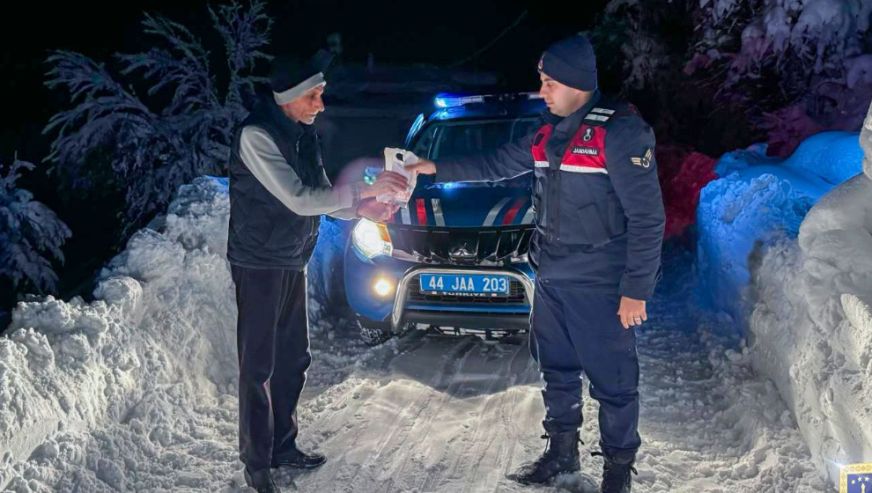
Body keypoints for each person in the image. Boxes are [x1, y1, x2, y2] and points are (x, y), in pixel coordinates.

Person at [408, 34, 665, 492]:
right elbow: (496, 163)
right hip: (551, 277)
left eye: (548, 83)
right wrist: (434, 169)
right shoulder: (547, 130)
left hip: (600, 284)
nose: (542, 91)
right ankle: (560, 455)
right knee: (557, 370)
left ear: (575, 82)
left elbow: (648, 218)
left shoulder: (620, 131)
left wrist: (636, 290)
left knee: (614, 383)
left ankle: (617, 473)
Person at [226, 51, 408, 493]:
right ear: (289, 97)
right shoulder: (256, 135)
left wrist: (366, 206)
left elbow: (325, 197)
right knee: (258, 367)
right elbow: (299, 199)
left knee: (294, 359)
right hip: (259, 262)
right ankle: (257, 464)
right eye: (314, 96)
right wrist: (366, 185)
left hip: (292, 256)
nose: (321, 105)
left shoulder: (304, 134)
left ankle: (283, 446)